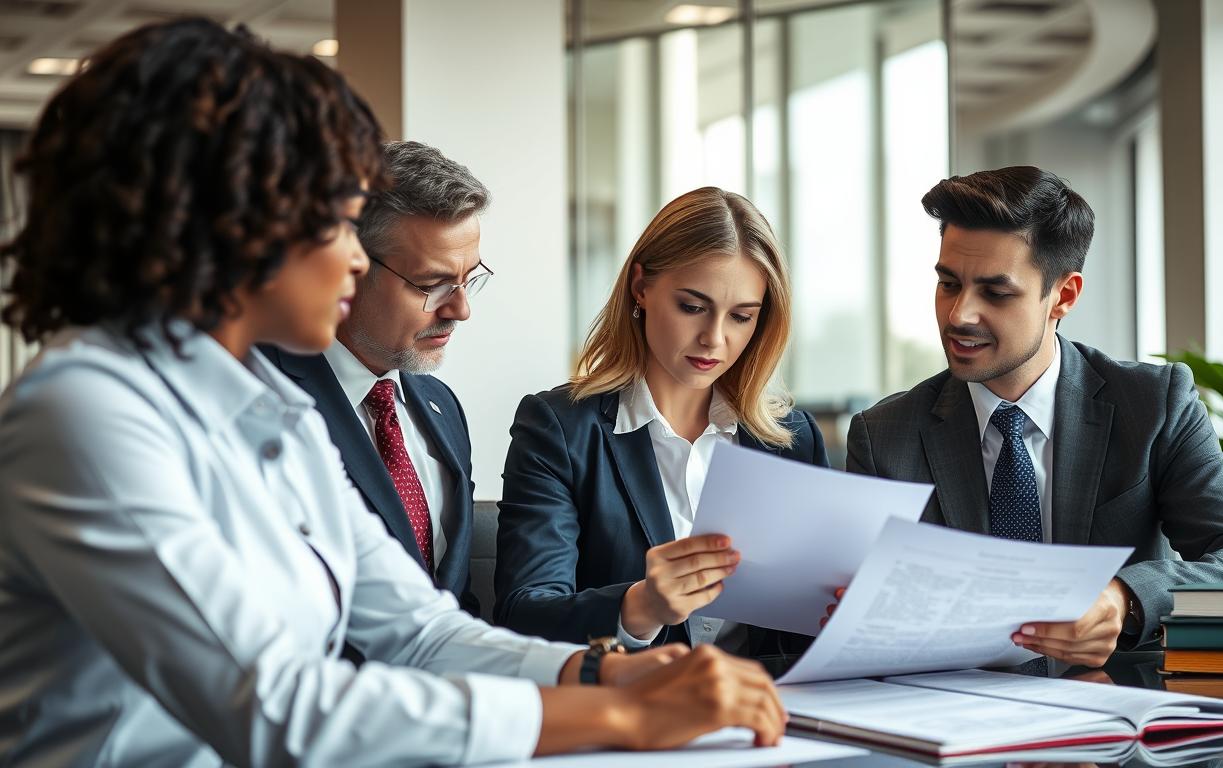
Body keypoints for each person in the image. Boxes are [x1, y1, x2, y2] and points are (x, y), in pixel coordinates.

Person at [0, 19, 786, 766]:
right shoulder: (85, 413)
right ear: (234, 227)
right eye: (340, 224)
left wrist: (606, 674)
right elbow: (276, 710)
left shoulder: (267, 405)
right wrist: (622, 712)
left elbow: (419, 632)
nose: (353, 260)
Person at [842, 166, 1223, 668]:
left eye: (996, 292)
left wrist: (1123, 597)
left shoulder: (1153, 405)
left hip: (1114, 717)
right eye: (949, 284)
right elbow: (863, 609)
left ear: (1064, 295)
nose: (959, 315)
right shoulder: (884, 436)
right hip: (954, 716)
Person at [494, 187, 828, 659]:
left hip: (770, 712)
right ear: (641, 287)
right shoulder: (560, 430)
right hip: (632, 711)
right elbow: (523, 615)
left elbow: (803, 633)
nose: (714, 339)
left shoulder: (791, 440)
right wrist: (640, 606)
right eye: (692, 307)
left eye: (741, 316)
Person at [264, 140, 489, 615]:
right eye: (432, 286)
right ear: (346, 270)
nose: (461, 310)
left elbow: (453, 603)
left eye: (470, 278)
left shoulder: (441, 407)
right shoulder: (264, 401)